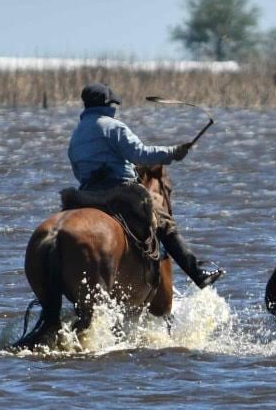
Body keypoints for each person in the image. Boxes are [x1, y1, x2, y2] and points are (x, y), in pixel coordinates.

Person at [67, 82, 224, 288]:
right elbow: (140, 154)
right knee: (164, 222)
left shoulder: (76, 133)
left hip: (86, 194)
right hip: (120, 190)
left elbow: (77, 169)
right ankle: (198, 273)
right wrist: (173, 152)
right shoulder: (113, 126)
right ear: (108, 104)